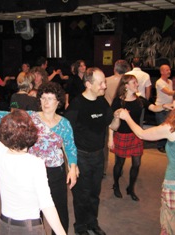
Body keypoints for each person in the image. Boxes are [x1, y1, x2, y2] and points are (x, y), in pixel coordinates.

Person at [0, 82, 78, 234]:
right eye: (43, 98)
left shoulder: (64, 124)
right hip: (32, 171)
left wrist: (72, 167)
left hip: (55, 172)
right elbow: (7, 117)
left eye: (50, 99)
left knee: (60, 211)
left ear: (58, 102)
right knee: (35, 213)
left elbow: (70, 147)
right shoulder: (31, 118)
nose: (46, 102)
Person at [118, 88, 175, 235]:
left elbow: (142, 134)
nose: (172, 102)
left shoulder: (172, 128)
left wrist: (126, 117)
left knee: (173, 225)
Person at [0, 109, 66, 235]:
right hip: (29, 229)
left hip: (4, 226)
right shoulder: (35, 163)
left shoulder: (0, 153)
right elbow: (46, 203)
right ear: (31, 134)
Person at [65, 67, 120, 235]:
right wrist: (71, 164)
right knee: (81, 194)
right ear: (88, 84)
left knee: (95, 192)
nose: (104, 86)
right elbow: (66, 135)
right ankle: (80, 226)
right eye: (101, 82)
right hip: (81, 156)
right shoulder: (77, 104)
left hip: (98, 155)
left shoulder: (102, 102)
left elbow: (113, 126)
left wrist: (117, 117)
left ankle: (92, 223)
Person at [109, 74, 173, 201]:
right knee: (119, 164)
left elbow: (153, 108)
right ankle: (116, 185)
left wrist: (164, 106)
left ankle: (130, 188)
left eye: (136, 82)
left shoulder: (140, 100)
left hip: (136, 135)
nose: (137, 85)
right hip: (121, 135)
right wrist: (110, 138)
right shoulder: (118, 101)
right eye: (134, 83)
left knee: (137, 163)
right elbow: (111, 123)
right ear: (126, 86)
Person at [103, 59, 130, 176]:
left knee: (105, 143)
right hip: (121, 115)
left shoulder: (106, 81)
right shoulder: (126, 83)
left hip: (107, 113)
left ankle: (103, 169)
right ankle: (119, 166)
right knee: (120, 143)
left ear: (115, 68)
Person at [155, 64, 175, 153]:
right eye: (167, 70)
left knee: (169, 126)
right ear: (161, 72)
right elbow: (169, 92)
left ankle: (166, 145)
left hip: (169, 108)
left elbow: (171, 95)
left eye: (169, 70)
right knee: (162, 127)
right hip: (160, 108)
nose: (169, 71)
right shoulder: (159, 82)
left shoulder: (170, 81)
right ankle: (160, 145)